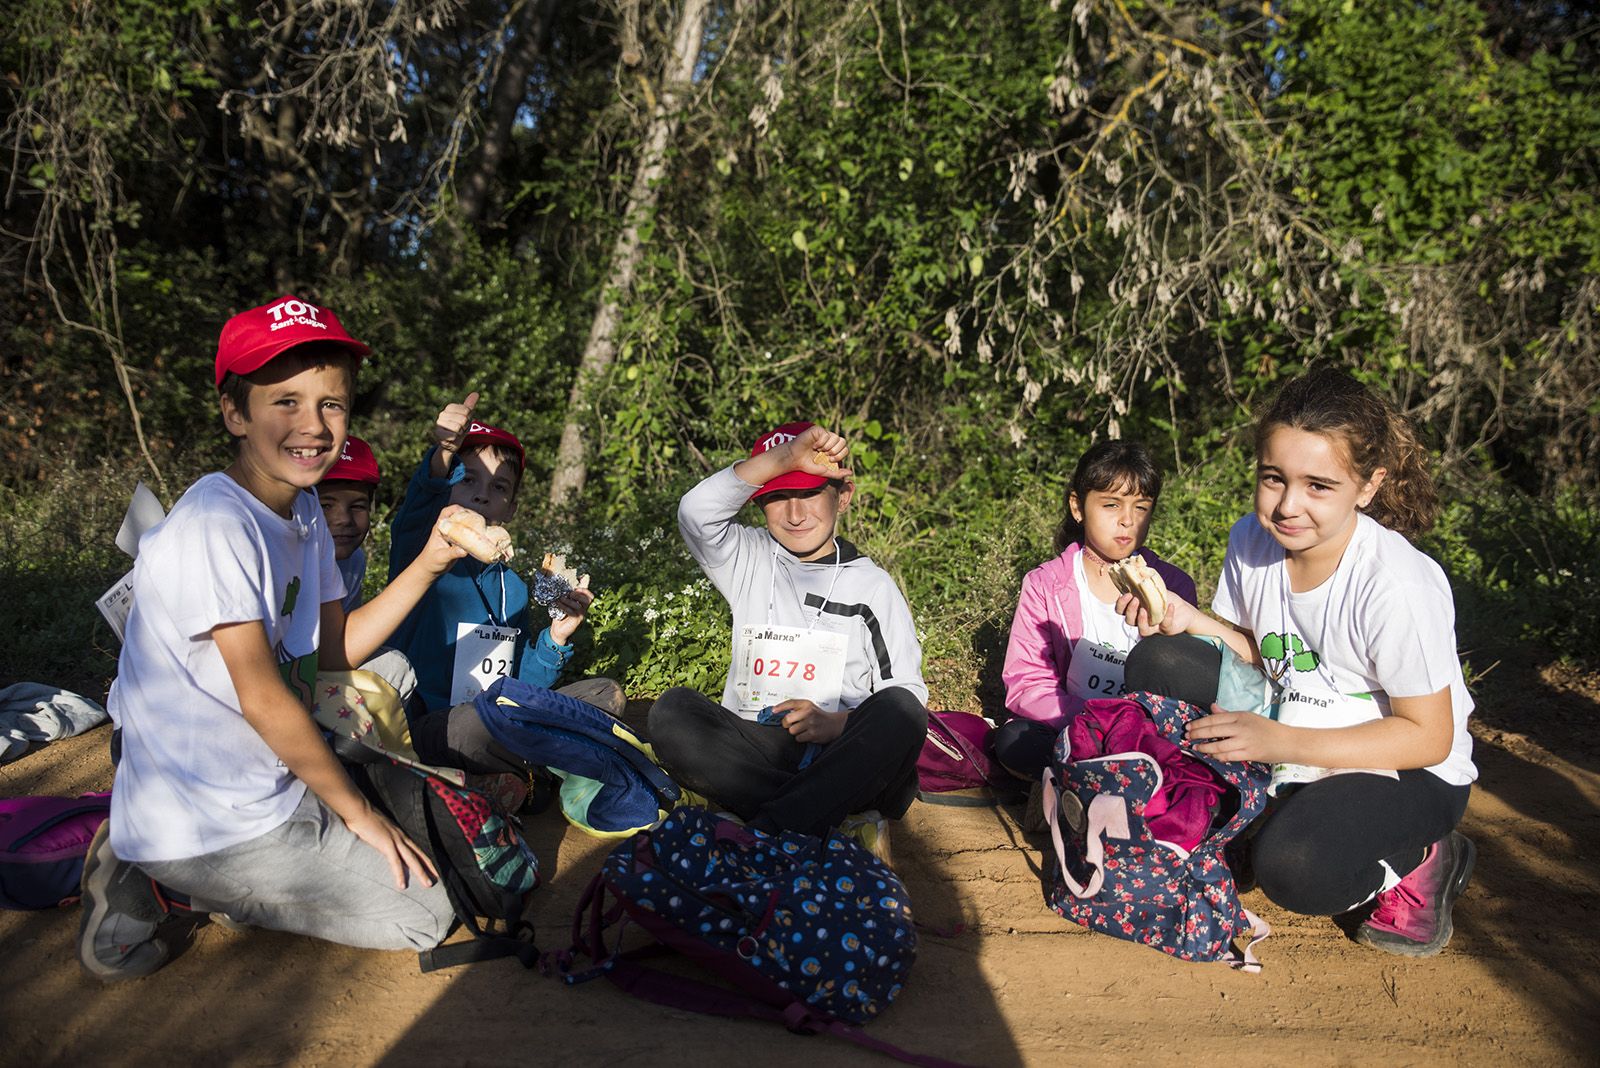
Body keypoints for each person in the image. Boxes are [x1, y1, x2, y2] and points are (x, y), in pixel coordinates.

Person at [80, 295, 464, 981]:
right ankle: (159, 879)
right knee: (425, 915)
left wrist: (431, 559)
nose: (313, 426)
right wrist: (358, 817)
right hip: (207, 820)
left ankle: (218, 878)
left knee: (409, 854)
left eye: (332, 404)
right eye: (285, 402)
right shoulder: (218, 525)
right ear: (235, 413)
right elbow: (263, 698)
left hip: (266, 781)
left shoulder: (305, 506)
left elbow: (333, 654)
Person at [1123, 368, 1477, 957]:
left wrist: (1277, 741)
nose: (1289, 505)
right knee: (1159, 659)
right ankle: (1240, 810)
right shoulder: (1252, 541)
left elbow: (1429, 737)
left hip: (1407, 767)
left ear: (1368, 487)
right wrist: (1189, 619)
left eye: (1319, 486)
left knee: (1295, 869)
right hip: (1293, 723)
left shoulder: (1392, 584)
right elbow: (1270, 656)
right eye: (1273, 479)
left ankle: (1424, 856)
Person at [647, 421, 929, 849]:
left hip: (842, 752)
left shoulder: (873, 586)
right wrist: (785, 457)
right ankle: (820, 816)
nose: (795, 514)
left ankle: (763, 830)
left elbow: (907, 693)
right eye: (778, 497)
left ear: (843, 495)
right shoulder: (749, 556)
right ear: (759, 506)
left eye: (810, 493)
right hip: (759, 748)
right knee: (671, 712)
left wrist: (835, 725)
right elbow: (695, 512)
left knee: (901, 710)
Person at [385, 393, 617, 776]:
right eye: (469, 479)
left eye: (499, 487)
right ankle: (531, 770)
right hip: (429, 729)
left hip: (493, 718)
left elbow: (517, 681)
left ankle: (515, 770)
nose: (481, 493)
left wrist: (555, 640)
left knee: (602, 695)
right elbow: (419, 504)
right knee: (468, 727)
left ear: (510, 508)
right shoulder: (419, 554)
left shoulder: (514, 589)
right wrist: (444, 451)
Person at [996, 440, 1197, 780]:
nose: (1127, 521)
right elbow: (1028, 683)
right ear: (1078, 507)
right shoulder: (1046, 584)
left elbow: (1189, 686)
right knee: (1016, 741)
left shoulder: (1174, 587)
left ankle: (1077, 784)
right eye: (1111, 504)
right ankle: (1106, 781)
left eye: (1141, 507)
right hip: (1070, 725)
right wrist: (1095, 719)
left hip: (1146, 732)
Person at [318, 434, 381, 613]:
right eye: (325, 506)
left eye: (358, 506)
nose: (344, 519)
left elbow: (341, 637)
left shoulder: (353, 562)